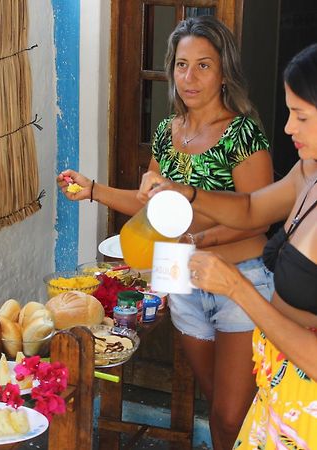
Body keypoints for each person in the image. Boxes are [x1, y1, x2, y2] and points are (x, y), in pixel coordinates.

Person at [58, 16, 274, 449]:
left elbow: (260, 218)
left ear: (224, 71)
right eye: (181, 64)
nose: (189, 77)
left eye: (203, 65)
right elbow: (151, 205)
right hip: (186, 285)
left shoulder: (242, 134)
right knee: (216, 406)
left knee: (234, 413)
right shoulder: (167, 132)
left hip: (240, 283)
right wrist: (94, 191)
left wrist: (196, 240)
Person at [138, 42, 317, 449]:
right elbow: (253, 206)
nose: (288, 128)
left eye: (301, 116)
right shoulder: (308, 173)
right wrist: (185, 191)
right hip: (282, 385)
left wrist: (235, 286)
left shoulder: (242, 133)